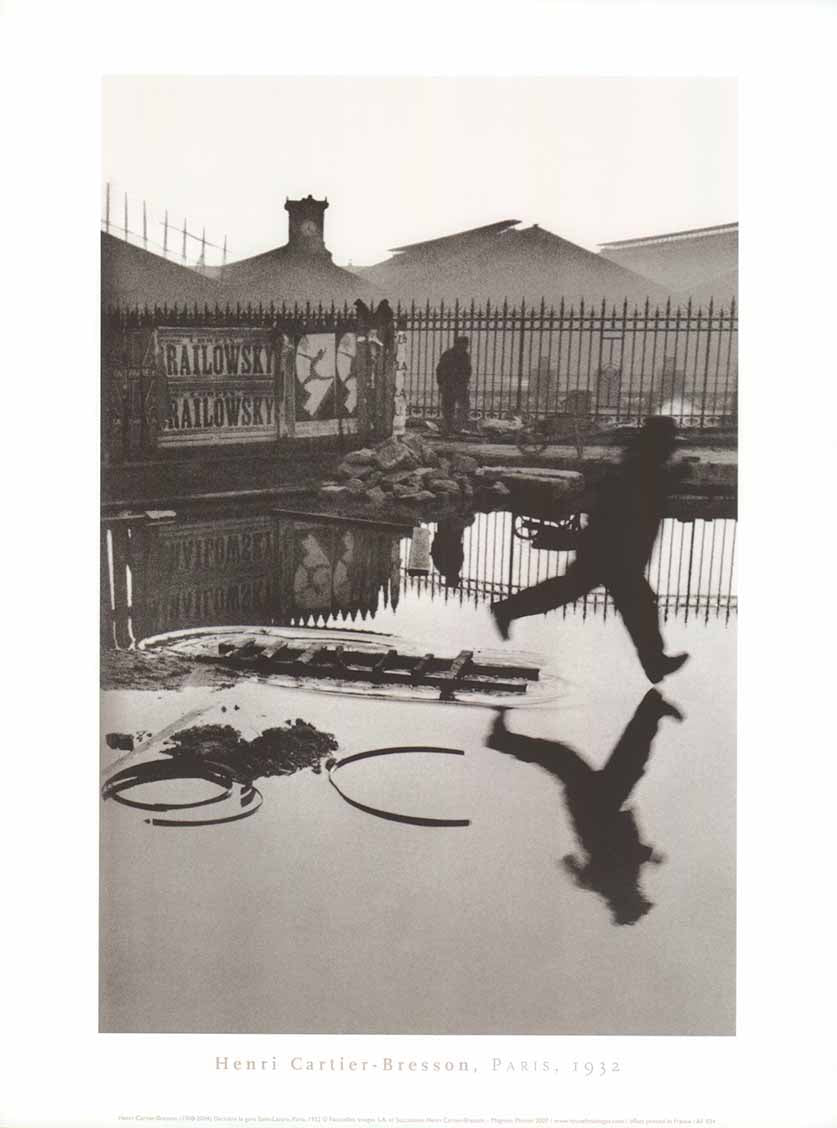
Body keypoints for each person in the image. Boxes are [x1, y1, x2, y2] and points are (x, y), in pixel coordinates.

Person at [490, 415, 689, 684]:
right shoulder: (640, 467)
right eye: (668, 441)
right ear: (659, 443)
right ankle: (654, 662)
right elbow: (637, 497)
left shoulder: (641, 463)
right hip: (613, 553)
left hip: (612, 551)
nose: (671, 447)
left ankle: (508, 609)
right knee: (637, 605)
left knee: (576, 592)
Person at [485, 690, 683, 926]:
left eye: (639, 899)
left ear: (629, 899)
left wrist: (649, 855)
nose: (642, 894)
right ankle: (652, 709)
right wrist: (577, 871)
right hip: (599, 806)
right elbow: (598, 867)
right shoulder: (613, 884)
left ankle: (652, 709)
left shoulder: (617, 882)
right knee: (620, 758)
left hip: (597, 808)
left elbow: (621, 856)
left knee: (610, 758)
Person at [436, 336, 471, 433]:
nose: (465, 346)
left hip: (461, 385)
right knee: (448, 408)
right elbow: (439, 370)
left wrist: (466, 381)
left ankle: (460, 427)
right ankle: (448, 428)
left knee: (464, 406)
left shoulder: (465, 356)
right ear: (457, 344)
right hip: (449, 385)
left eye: (466, 344)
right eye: (463, 344)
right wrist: (441, 384)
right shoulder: (447, 355)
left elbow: (468, 370)